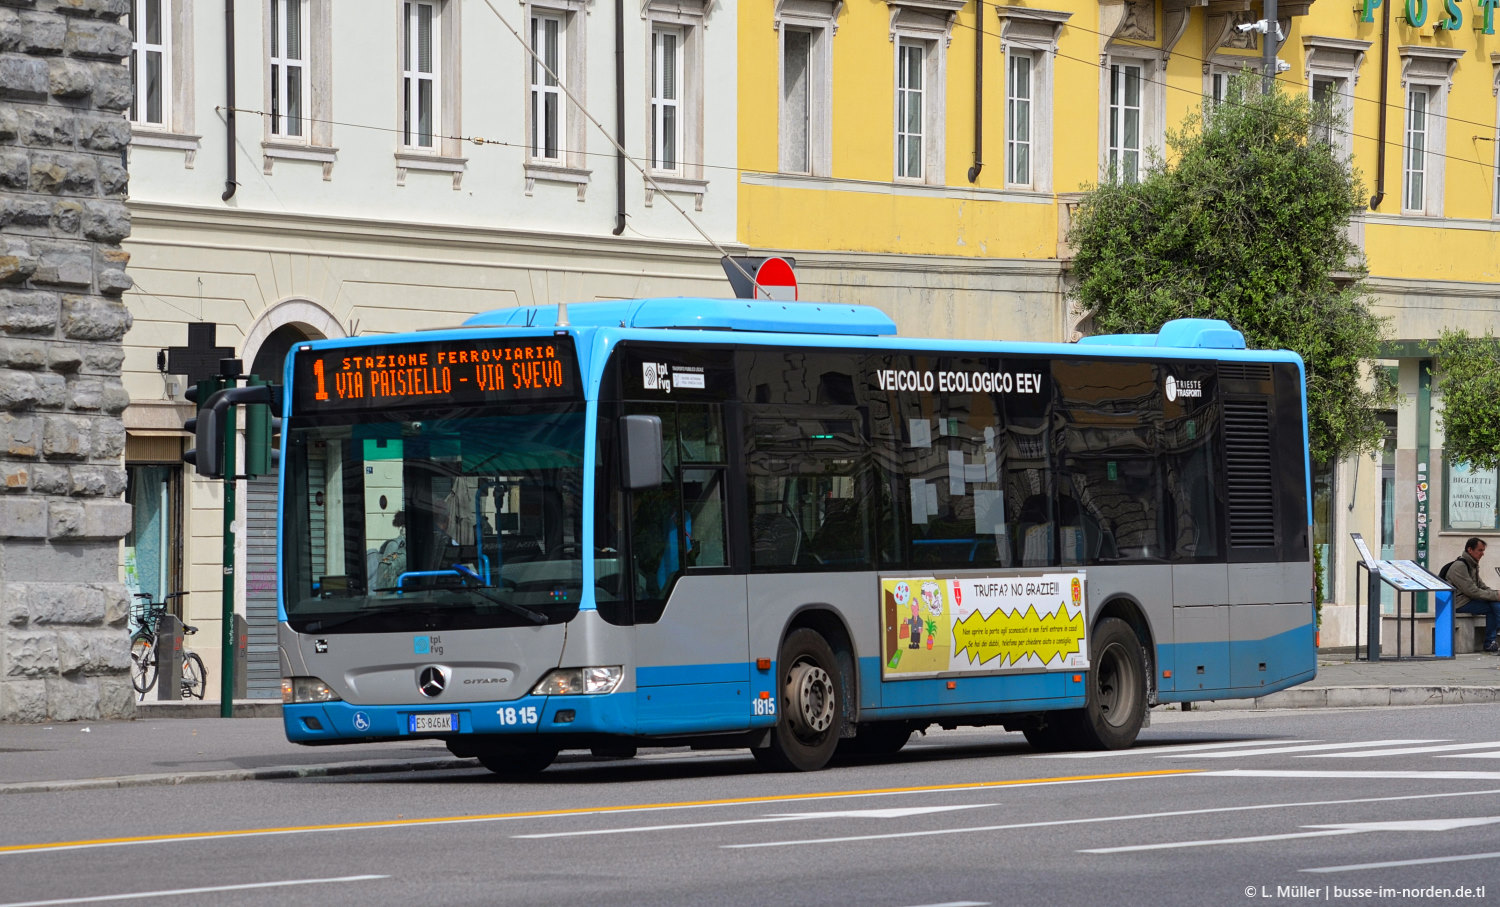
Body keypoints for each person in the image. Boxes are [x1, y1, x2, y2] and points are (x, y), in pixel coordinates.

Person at [1449, 537, 1500, 654]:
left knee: (1494, 603)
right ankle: (1490, 641)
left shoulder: (1472, 564)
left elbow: (1481, 586)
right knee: (1494, 604)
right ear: (1470, 550)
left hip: (1469, 600)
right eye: (1480, 550)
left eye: (1483, 551)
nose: (1483, 554)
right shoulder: (1460, 566)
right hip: (1459, 603)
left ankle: (1490, 642)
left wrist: (1496, 593)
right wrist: (1496, 596)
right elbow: (1471, 591)